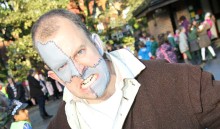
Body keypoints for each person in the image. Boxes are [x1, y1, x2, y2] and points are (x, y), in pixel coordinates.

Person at [31, 9, 220, 129]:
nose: (78, 71)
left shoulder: (180, 83)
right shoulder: (61, 125)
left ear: (97, 44)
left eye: (80, 52)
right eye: (63, 66)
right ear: (55, 77)